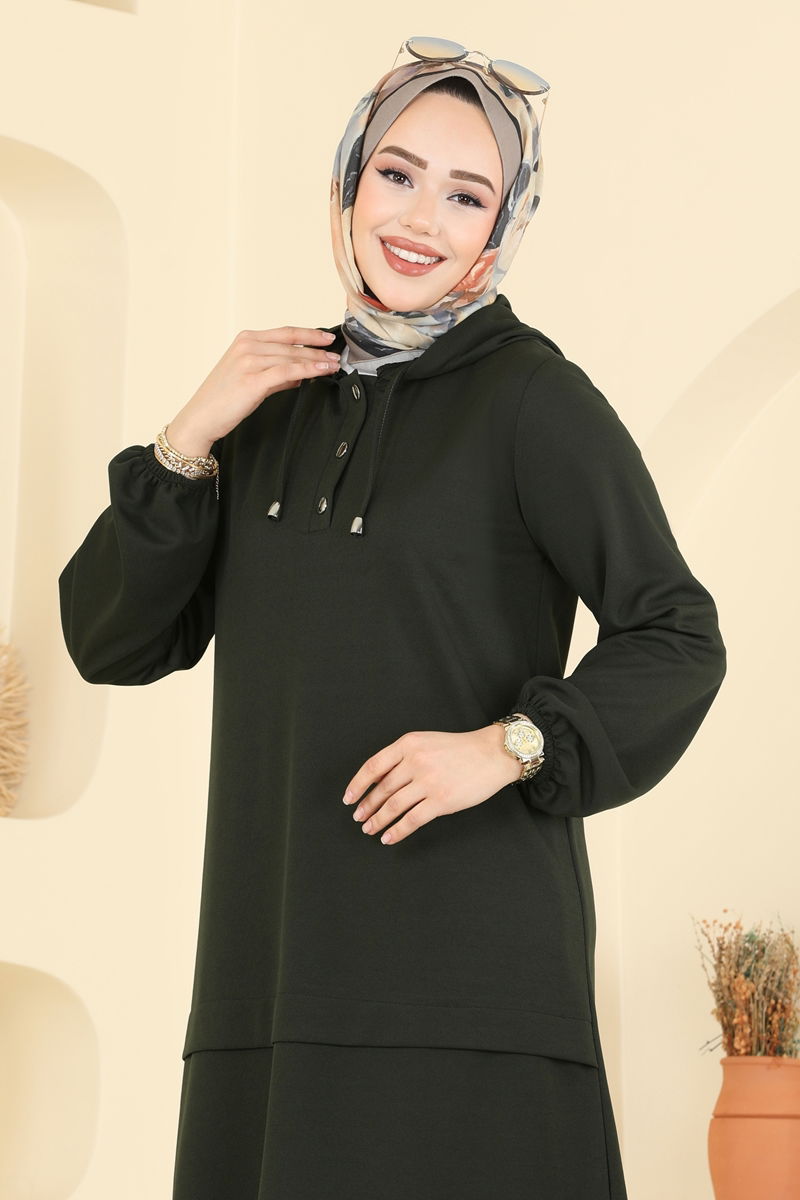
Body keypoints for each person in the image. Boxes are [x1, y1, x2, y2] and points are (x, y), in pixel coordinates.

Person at [58, 36, 727, 1200]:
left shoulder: (532, 399)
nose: (420, 219)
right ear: (347, 181)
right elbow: (112, 639)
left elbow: (675, 631)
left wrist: (509, 745)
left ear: (501, 227)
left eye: (465, 194)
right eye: (397, 174)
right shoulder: (271, 404)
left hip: (468, 995)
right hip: (271, 983)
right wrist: (189, 436)